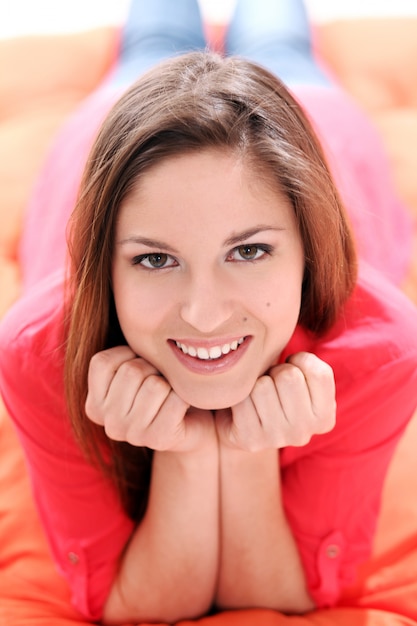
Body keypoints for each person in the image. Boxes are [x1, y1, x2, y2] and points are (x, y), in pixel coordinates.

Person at [0, 0, 417, 623]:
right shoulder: (39, 351)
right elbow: (124, 604)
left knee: (277, 27)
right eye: (154, 261)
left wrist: (243, 454)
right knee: (154, 33)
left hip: (312, 108)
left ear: (307, 245)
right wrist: (190, 451)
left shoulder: (380, 347)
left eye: (249, 251)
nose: (202, 314)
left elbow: (286, 595)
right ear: (104, 261)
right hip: (118, 109)